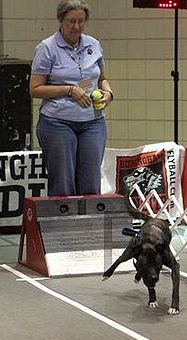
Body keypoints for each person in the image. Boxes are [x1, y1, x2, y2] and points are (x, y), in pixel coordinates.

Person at [30, 0, 114, 196]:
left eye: (81, 21)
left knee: (91, 182)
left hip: (93, 123)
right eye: (71, 21)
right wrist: (69, 90)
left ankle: (90, 224)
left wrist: (109, 94)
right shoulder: (47, 48)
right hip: (57, 122)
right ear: (61, 21)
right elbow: (35, 89)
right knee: (63, 183)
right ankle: (62, 225)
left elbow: (102, 79)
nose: (76, 26)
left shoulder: (94, 44)